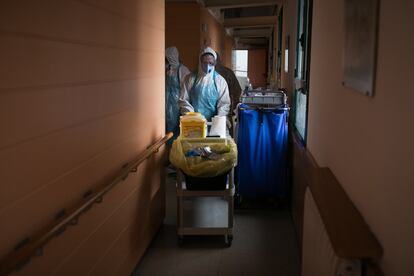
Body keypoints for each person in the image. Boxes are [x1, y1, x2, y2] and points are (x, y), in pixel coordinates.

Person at [179, 47, 230, 123]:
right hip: (194, 123)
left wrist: (219, 120)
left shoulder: (220, 81)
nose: (207, 66)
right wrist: (192, 117)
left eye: (210, 63)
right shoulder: (190, 79)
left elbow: (224, 103)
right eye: (204, 63)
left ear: (215, 63)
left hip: (213, 124)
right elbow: (184, 100)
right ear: (200, 62)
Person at [165, 47, 190, 143]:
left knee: (177, 128)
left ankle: (175, 150)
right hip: (169, 103)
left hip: (178, 104)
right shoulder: (169, 69)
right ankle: (170, 150)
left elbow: (187, 90)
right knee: (169, 127)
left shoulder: (183, 70)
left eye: (167, 58)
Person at [215, 52, 242, 134]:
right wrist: (233, 108)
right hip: (226, 109)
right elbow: (237, 91)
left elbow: (237, 91)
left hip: (225, 108)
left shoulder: (227, 73)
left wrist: (232, 107)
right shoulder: (228, 72)